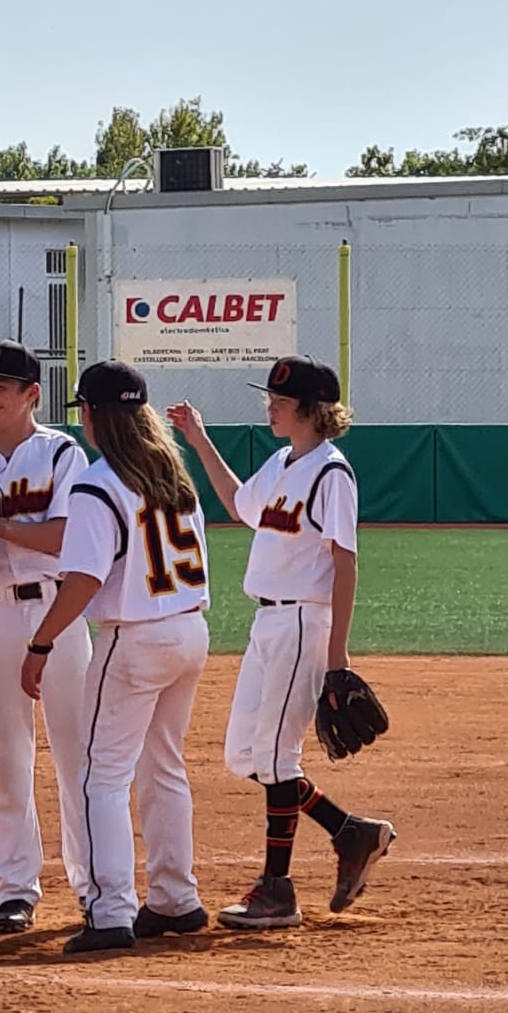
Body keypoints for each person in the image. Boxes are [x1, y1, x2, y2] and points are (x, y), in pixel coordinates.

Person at [167, 355, 395, 929]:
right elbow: (240, 505)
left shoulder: (331, 473)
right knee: (244, 755)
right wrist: (198, 440)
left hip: (303, 623)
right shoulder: (282, 462)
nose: (270, 407)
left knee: (275, 757)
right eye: (269, 397)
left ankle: (277, 889)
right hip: (267, 623)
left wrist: (338, 657)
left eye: (281, 400)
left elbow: (345, 563)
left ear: (312, 409)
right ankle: (349, 832)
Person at [20, 360, 210, 956]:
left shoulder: (98, 482)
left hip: (135, 638)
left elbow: (82, 580)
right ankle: (175, 897)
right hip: (189, 629)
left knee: (100, 776)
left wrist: (41, 642)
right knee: (164, 766)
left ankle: (110, 911)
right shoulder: (171, 473)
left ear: (94, 414)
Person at [0, 340, 92, 934]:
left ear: (32, 394)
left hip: (57, 609)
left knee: (76, 752)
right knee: (7, 756)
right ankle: (15, 889)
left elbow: (68, 537)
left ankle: (94, 883)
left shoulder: (61, 453)